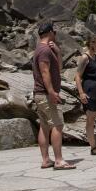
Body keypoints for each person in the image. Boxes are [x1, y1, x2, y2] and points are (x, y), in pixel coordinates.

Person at [32, 22, 75, 169]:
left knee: (44, 126)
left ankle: (46, 160)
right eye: (54, 33)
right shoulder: (44, 50)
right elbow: (45, 72)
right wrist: (51, 92)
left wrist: (57, 52)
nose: (55, 35)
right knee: (58, 124)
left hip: (39, 94)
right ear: (50, 32)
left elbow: (59, 68)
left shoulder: (42, 49)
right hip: (45, 94)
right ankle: (58, 160)